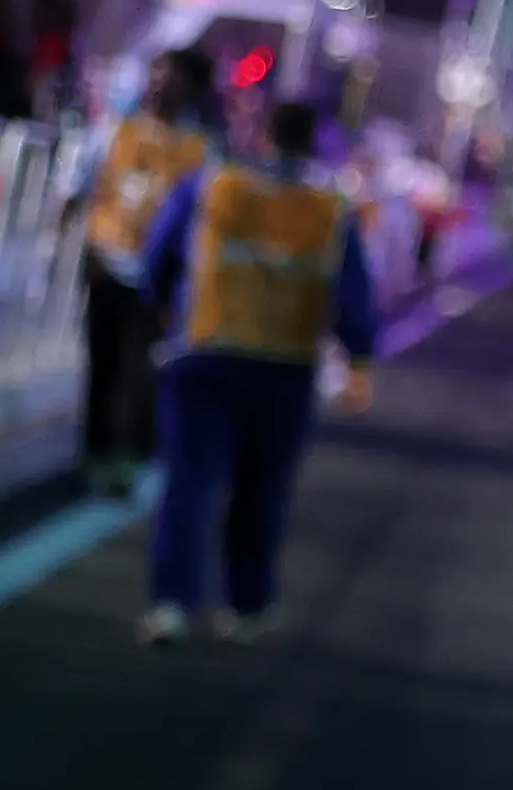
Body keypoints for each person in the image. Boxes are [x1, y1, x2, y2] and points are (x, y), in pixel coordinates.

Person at [134, 97, 377, 646]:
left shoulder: (212, 185)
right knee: (261, 491)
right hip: (283, 367)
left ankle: (171, 604)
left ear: (258, 134)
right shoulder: (330, 208)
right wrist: (359, 360)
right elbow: (354, 295)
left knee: (189, 485)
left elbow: (158, 255)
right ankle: (246, 606)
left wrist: (161, 306)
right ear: (312, 143)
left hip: (205, 353)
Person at [78, 48, 216, 495]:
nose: (158, 83)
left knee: (140, 372)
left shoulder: (202, 151)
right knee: (102, 364)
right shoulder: (117, 129)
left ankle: (125, 456)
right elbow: (83, 183)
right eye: (155, 73)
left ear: (192, 87)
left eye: (170, 76)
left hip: (157, 280)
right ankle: (94, 454)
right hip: (107, 265)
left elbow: (204, 222)